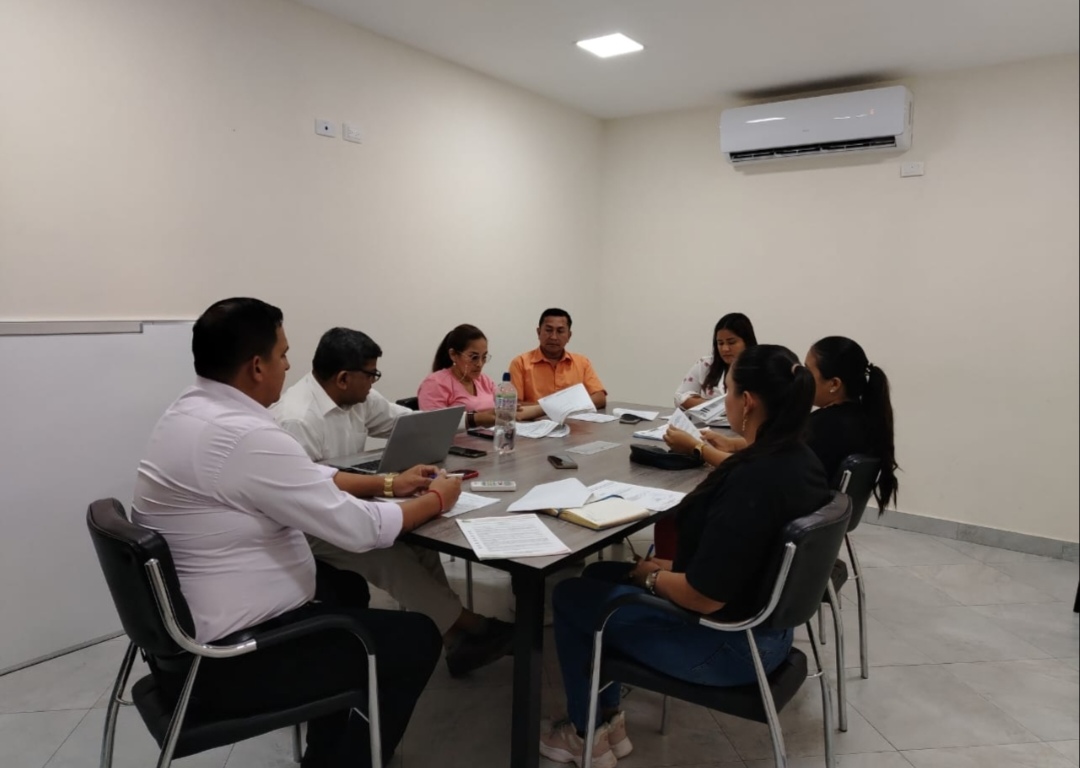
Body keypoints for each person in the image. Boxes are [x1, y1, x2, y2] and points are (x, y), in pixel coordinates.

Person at [132, 298, 460, 768]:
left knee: (346, 589)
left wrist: (390, 483)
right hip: (230, 659)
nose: (289, 366)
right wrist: (437, 500)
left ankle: (325, 751)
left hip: (184, 639)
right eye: (283, 354)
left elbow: (306, 476)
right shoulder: (246, 436)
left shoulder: (192, 412)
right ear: (256, 366)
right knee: (416, 639)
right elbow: (362, 529)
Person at [540, 345, 831, 768]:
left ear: (748, 402)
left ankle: (586, 734)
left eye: (729, 391)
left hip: (725, 647)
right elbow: (747, 557)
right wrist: (662, 569)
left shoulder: (753, 481)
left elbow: (703, 597)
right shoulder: (800, 459)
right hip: (768, 630)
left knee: (569, 596)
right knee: (600, 574)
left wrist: (649, 578)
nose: (725, 401)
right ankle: (607, 720)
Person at [272, 326, 514, 676]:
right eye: (371, 375)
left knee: (421, 538)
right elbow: (309, 497)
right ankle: (472, 624)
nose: (374, 383)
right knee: (388, 554)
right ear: (343, 378)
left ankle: (453, 638)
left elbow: (409, 421)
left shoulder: (357, 398)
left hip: (350, 501)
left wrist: (468, 420)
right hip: (306, 524)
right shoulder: (297, 419)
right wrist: (388, 486)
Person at [804, 335, 899, 509]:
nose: (802, 378)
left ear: (834, 384)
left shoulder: (821, 426)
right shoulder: (865, 420)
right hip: (827, 519)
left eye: (807, 372)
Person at [418, 323, 538, 426]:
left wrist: (545, 407)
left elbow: (511, 412)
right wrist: (480, 418)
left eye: (484, 357)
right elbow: (433, 425)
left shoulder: (484, 380)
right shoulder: (435, 384)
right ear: (453, 354)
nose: (480, 364)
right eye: (474, 357)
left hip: (488, 440)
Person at [509, 308, 607, 410]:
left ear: (569, 336)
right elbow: (515, 405)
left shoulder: (582, 362)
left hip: (573, 419)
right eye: (548, 330)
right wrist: (559, 408)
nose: (554, 337)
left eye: (560, 331)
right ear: (538, 332)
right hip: (536, 420)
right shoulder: (520, 363)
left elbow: (600, 398)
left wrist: (558, 408)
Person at [674, 313, 757, 409]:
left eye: (731, 342)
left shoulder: (762, 367)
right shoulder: (706, 364)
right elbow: (679, 396)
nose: (725, 349)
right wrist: (711, 406)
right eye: (720, 343)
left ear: (747, 341)